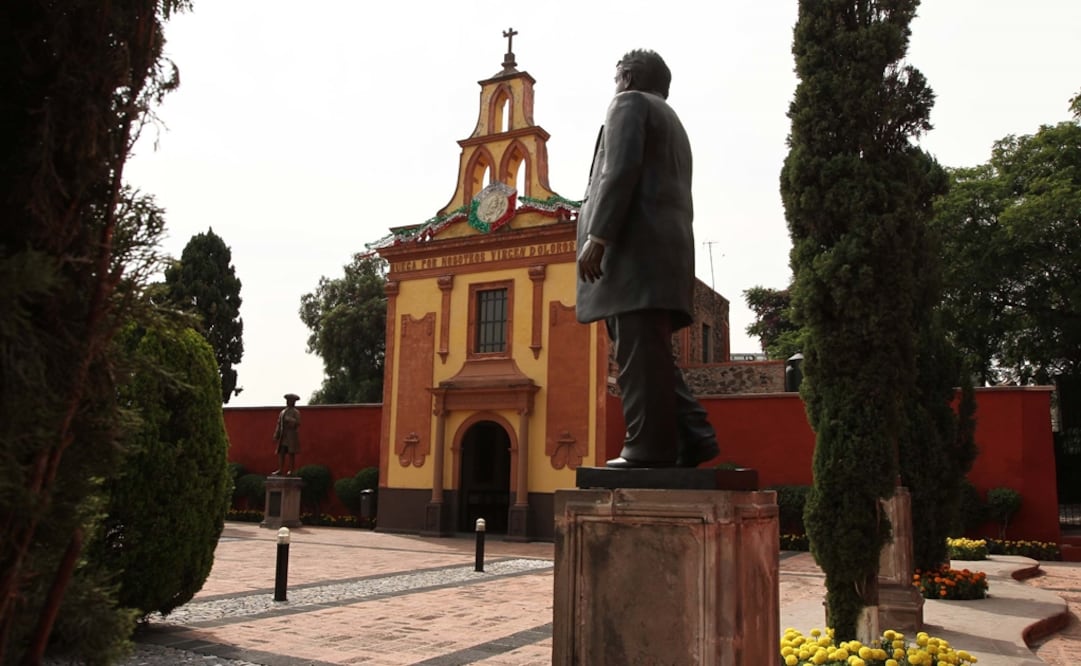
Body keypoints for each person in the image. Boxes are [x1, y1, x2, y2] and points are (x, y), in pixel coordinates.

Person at [576, 49, 720, 469]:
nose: (615, 84)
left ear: (629, 77)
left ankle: (646, 449)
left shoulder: (629, 104)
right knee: (651, 354)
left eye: (617, 76)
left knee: (637, 357)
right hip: (663, 253)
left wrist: (598, 236)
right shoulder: (672, 121)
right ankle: (694, 435)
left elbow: (618, 171)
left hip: (633, 254)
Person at [272, 393, 301, 475]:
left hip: (291, 435)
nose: (288, 402)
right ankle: (280, 469)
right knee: (281, 452)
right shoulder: (283, 412)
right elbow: (279, 423)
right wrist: (276, 434)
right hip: (283, 435)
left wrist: (290, 419)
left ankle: (291, 470)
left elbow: (298, 422)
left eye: (290, 400)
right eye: (288, 400)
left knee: (291, 453)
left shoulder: (296, 412)